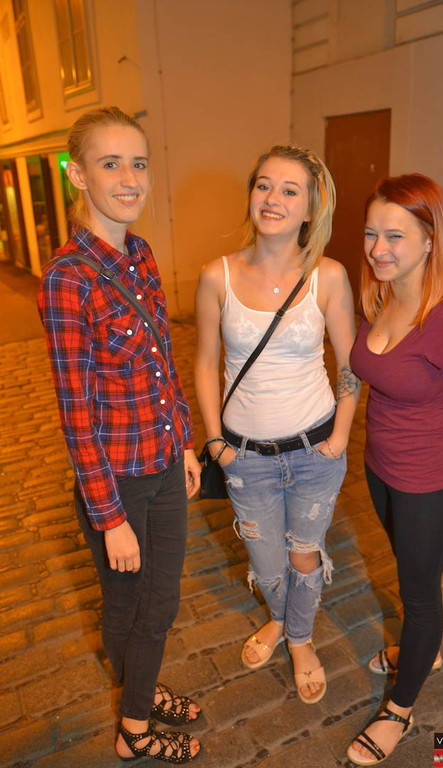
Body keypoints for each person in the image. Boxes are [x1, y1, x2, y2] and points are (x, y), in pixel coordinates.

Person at [38, 107, 202, 764]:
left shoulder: (141, 255)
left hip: (163, 464)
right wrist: (109, 518)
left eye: (139, 163)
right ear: (78, 175)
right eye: (111, 164)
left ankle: (139, 687)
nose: (130, 178)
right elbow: (75, 412)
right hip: (118, 485)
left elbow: (162, 357)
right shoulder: (67, 278)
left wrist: (184, 441)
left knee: (155, 604)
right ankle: (134, 729)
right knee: (136, 608)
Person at [194, 145, 360, 704]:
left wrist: (340, 438)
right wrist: (216, 442)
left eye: (290, 190)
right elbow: (204, 363)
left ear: (310, 209)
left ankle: (300, 639)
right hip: (245, 456)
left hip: (315, 451)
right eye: (264, 185)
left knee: (303, 555)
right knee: (265, 563)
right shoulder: (216, 275)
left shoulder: (328, 276)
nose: (273, 199)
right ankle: (279, 616)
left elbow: (349, 364)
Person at [347, 173, 443, 765]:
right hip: (380, 468)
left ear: (431, 240)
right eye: (371, 233)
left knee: (419, 593)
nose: (378, 249)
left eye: (395, 236)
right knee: (410, 574)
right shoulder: (383, 296)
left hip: (429, 481)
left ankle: (399, 708)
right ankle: (421, 649)